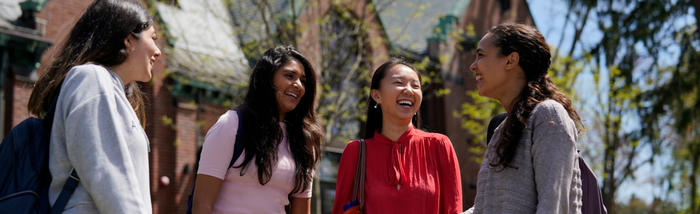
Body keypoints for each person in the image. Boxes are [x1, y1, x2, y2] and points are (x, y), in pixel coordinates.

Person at [27, 0, 161, 213]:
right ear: (128, 40)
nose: (158, 51)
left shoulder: (110, 90)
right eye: (152, 38)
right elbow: (109, 177)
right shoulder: (92, 79)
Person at [463, 23, 583, 214]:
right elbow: (487, 207)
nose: (473, 66)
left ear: (511, 60)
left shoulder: (549, 115)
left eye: (481, 55)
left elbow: (554, 204)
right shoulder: (501, 129)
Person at [192, 46, 323, 214]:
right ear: (267, 79)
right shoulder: (231, 125)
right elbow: (201, 205)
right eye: (289, 76)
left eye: (303, 81)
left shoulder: (303, 141)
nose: (298, 85)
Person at [332, 58, 463, 214]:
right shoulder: (355, 151)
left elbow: (453, 210)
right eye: (398, 83)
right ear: (376, 95)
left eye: (415, 86)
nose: (409, 90)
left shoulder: (439, 145)